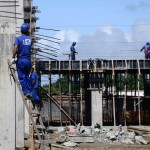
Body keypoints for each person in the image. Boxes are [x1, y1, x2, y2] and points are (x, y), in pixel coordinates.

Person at [12, 23, 32, 96]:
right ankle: (29, 91)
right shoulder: (30, 39)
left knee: (22, 77)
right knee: (27, 76)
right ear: (27, 31)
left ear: (21, 31)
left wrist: (13, 56)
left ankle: (26, 92)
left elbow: (15, 48)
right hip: (28, 60)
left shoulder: (18, 39)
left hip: (21, 60)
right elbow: (29, 49)